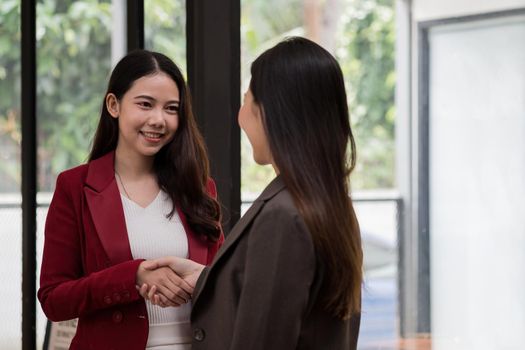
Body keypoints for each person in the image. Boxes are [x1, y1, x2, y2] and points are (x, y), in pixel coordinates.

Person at [141, 37, 363, 350]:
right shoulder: (330, 206)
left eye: (247, 100)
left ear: (272, 114)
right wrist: (208, 278)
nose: (240, 116)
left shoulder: (283, 217)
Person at [38, 50, 224, 350]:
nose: (158, 120)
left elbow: (224, 285)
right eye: (145, 104)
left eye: (171, 108)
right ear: (114, 105)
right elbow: (54, 299)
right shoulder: (74, 186)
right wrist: (132, 275)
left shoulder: (199, 188)